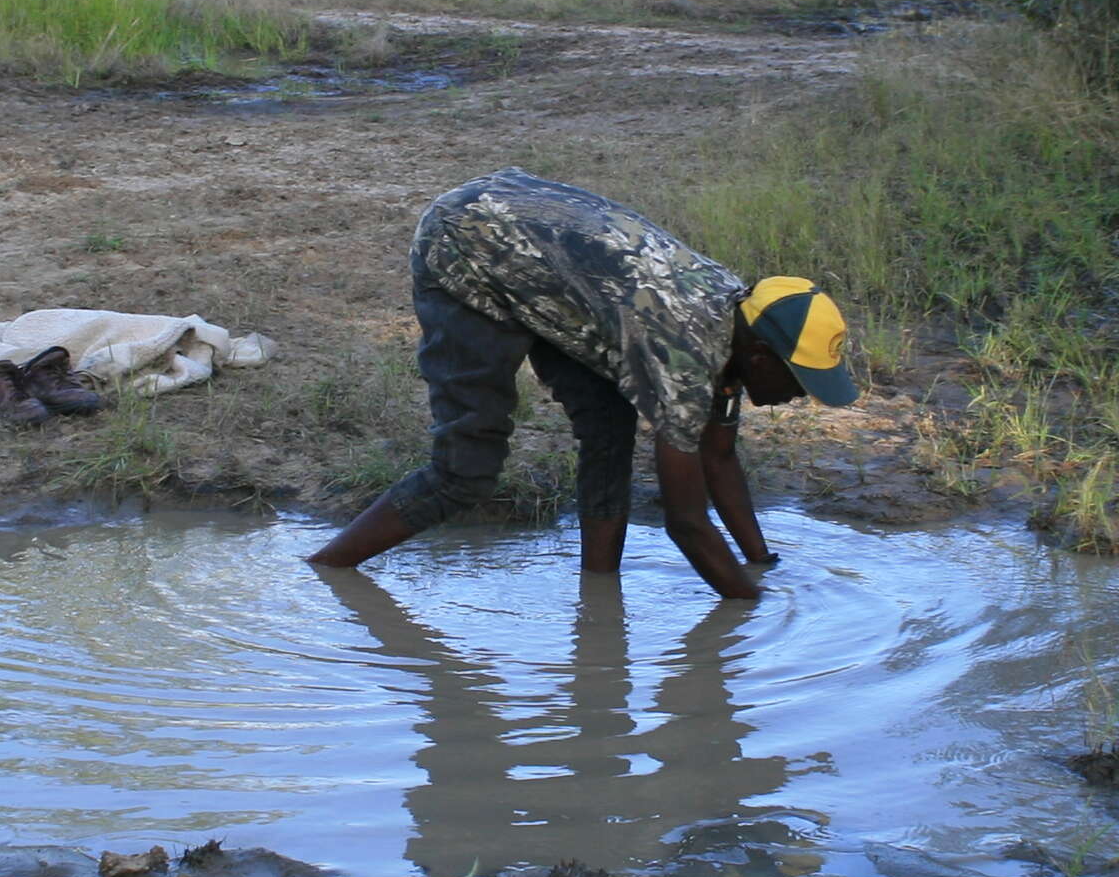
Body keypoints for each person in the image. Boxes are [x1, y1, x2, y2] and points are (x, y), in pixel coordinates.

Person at [306, 168, 858, 600]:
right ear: (760, 355)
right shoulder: (685, 351)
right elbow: (686, 524)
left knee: (609, 419)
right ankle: (326, 573)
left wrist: (761, 562)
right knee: (465, 469)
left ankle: (598, 591)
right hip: (468, 242)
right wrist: (752, 604)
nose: (798, 395)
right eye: (798, 379)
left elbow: (719, 457)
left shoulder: (735, 319)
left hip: (542, 255)